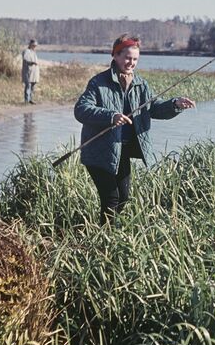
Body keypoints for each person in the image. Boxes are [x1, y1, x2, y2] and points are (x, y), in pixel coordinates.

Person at [74, 34, 195, 225]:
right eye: (127, 58)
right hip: (99, 151)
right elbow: (81, 110)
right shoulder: (98, 83)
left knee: (123, 198)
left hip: (122, 152)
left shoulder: (141, 84)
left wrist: (175, 104)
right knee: (111, 198)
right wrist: (111, 116)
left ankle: (102, 233)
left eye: (135, 59)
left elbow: (154, 108)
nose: (131, 63)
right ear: (115, 55)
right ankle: (103, 241)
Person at [22, 39, 40, 104]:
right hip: (28, 72)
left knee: (32, 86)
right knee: (28, 85)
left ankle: (30, 99)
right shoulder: (27, 51)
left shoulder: (33, 52)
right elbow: (26, 59)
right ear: (30, 44)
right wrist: (32, 62)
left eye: (35, 46)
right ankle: (26, 100)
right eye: (34, 45)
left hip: (34, 73)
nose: (34, 47)